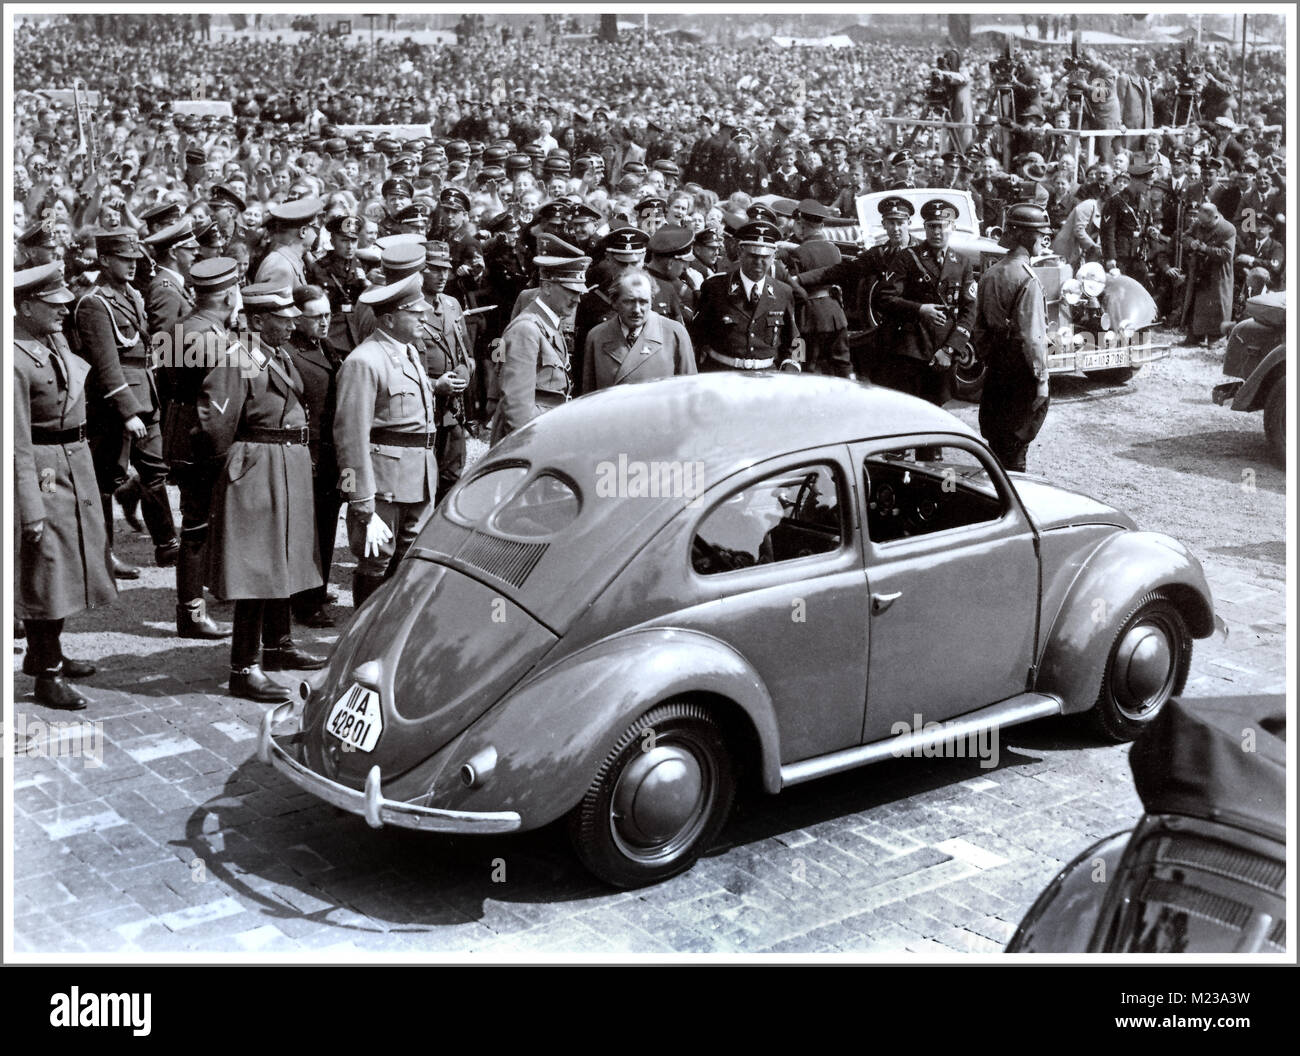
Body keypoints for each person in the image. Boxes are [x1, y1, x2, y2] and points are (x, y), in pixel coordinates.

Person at [197, 283, 325, 702]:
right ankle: (243, 667)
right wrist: (237, 468)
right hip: (258, 465)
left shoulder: (275, 354)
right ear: (256, 320)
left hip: (286, 464)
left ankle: (277, 646)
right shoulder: (239, 358)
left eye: (291, 317)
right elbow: (215, 426)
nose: (291, 323)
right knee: (256, 570)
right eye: (281, 318)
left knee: (282, 561)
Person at [15, 263, 116, 710]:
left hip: (74, 460)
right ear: (25, 306)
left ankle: (47, 654)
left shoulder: (50, 339)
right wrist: (29, 505)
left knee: (69, 561)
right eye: (52, 305)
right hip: (43, 468)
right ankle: (46, 672)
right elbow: (14, 441)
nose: (63, 311)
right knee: (46, 568)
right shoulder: (14, 358)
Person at [73, 227, 178, 577]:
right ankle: (103, 555)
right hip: (114, 405)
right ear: (104, 259)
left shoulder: (130, 294)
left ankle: (167, 544)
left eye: (134, 259)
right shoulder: (94, 302)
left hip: (143, 394)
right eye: (123, 259)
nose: (132, 265)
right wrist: (127, 410)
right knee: (107, 478)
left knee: (155, 470)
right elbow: (105, 364)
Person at [334, 273, 440, 607]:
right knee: (376, 559)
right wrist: (360, 499)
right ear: (390, 318)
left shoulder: (407, 352)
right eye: (415, 313)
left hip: (418, 476)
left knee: (411, 560)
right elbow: (350, 436)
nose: (424, 317)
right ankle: (362, 639)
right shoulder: (365, 361)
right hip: (383, 483)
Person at [159, 256, 239, 640]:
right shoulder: (210, 337)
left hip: (181, 434)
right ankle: (191, 612)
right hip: (204, 440)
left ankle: (198, 603)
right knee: (197, 527)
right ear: (227, 295)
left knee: (198, 523)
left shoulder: (182, 329)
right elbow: (222, 396)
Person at [874, 198, 977, 407]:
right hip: (912, 352)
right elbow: (885, 298)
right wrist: (920, 309)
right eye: (931, 227)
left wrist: (950, 349)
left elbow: (969, 310)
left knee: (938, 409)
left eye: (941, 226)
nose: (936, 232)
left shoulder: (962, 263)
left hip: (944, 351)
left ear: (953, 228)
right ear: (924, 228)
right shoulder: (907, 258)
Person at [973, 204, 1052, 473]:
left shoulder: (990, 274)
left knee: (997, 445)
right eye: (1040, 234)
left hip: (996, 371)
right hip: (1021, 373)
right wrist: (1041, 379)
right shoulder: (1027, 279)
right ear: (1025, 237)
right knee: (1017, 450)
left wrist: (991, 357)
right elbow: (1033, 338)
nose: (1044, 239)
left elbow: (979, 329)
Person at [286, 284, 344, 628]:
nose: (324, 322)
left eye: (327, 315)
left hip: (328, 452)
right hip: (304, 453)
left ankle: (315, 590)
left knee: (325, 524)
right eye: (317, 316)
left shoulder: (325, 346)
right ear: (296, 318)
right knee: (307, 530)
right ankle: (305, 604)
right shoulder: (288, 353)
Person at [490, 254, 589, 444]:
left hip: (546, 433)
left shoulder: (549, 325)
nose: (577, 300)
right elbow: (517, 410)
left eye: (579, 293)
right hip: (528, 443)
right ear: (547, 287)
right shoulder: (526, 330)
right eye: (570, 291)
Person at [691, 220, 801, 373]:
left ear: (774, 256)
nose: (758, 262)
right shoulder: (715, 287)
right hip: (722, 374)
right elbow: (696, 336)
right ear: (740, 252)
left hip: (766, 377)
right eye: (752, 255)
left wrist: (793, 367)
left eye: (765, 257)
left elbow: (796, 340)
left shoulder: (783, 291)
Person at [418, 239, 474, 501]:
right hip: (422, 410)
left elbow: (466, 354)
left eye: (446, 269)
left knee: (452, 478)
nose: (443, 275)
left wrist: (464, 374)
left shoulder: (452, 305)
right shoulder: (410, 307)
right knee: (421, 482)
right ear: (420, 269)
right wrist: (434, 385)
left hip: (452, 411)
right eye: (434, 269)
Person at [582, 270, 697, 391]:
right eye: (629, 301)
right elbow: (589, 397)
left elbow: (690, 393)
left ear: (652, 301)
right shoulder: (597, 336)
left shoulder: (674, 333)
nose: (637, 309)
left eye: (643, 302)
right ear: (614, 302)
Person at [781, 199, 850, 377]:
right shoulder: (834, 249)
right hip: (836, 316)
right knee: (842, 363)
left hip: (807, 319)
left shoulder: (797, 253)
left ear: (801, 225)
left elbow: (792, 289)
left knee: (803, 364)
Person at [1179, 200, 1236, 346]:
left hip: (1218, 271)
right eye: (1201, 223)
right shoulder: (1199, 223)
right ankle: (1195, 334)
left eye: (1206, 224)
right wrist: (1191, 243)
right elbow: (1185, 236)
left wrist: (1206, 249)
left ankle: (1216, 336)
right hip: (1199, 268)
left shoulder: (1228, 229)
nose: (1202, 227)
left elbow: (1227, 253)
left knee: (1216, 303)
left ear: (1215, 217)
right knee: (1196, 301)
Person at [254, 196, 324, 289]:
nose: (316, 234)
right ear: (303, 231)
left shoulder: (289, 260)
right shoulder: (280, 268)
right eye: (314, 226)